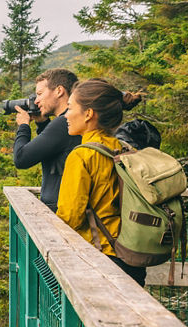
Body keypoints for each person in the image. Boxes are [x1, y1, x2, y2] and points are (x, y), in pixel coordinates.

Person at [56, 80, 146, 286]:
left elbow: (69, 217)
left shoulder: (82, 155)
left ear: (88, 114)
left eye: (70, 108)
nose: (65, 115)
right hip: (131, 254)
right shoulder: (125, 149)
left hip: (99, 256)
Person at [13, 68, 81, 212]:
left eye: (40, 94)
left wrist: (24, 126)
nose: (36, 101)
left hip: (61, 213)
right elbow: (55, 149)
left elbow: (21, 159)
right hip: (68, 208)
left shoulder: (63, 122)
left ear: (59, 91)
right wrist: (43, 123)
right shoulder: (74, 121)